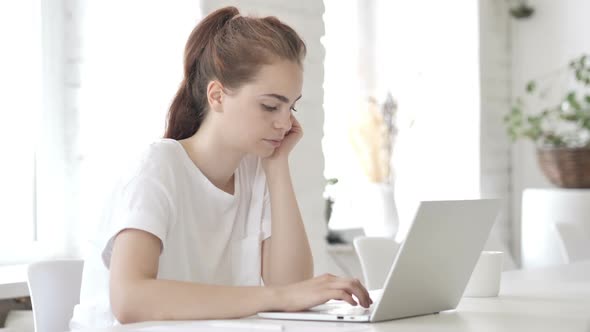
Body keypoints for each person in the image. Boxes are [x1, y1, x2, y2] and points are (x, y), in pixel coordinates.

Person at [70, 6, 372, 328]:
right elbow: (130, 300)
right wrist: (275, 298)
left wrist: (277, 166)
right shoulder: (158, 168)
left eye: (291, 107)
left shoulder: (255, 170)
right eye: (270, 106)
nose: (285, 123)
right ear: (217, 96)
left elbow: (292, 287)